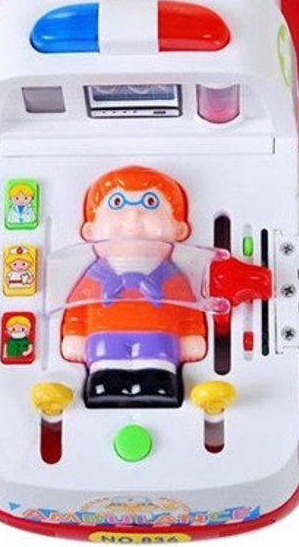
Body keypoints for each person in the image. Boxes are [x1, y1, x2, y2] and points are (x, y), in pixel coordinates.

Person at [60, 165, 207, 408]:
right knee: (107, 377)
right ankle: (106, 382)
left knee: (156, 375)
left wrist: (192, 334)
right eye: (117, 203)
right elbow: (78, 306)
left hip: (159, 338)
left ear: (179, 229)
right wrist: (74, 334)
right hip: (104, 337)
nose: (133, 215)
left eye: (150, 203)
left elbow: (188, 308)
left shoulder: (171, 277)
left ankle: (158, 383)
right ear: (90, 230)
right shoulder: (95, 276)